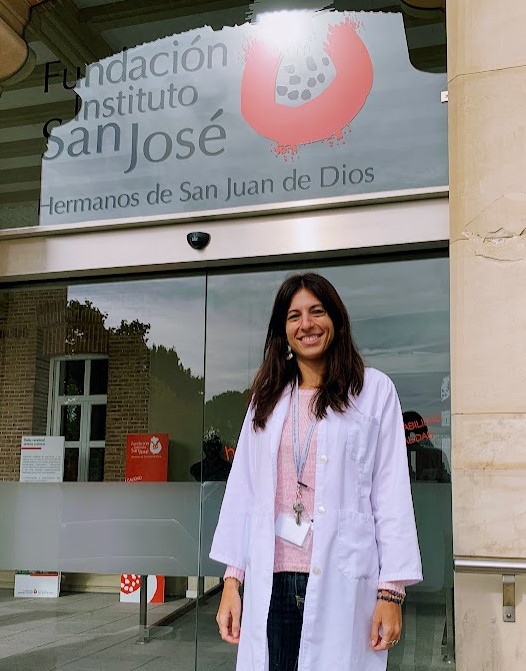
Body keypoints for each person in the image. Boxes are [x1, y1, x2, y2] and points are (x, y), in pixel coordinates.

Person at [210, 273, 422, 671]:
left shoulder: (373, 391)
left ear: (336, 320)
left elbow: (390, 492)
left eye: (317, 312)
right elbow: (244, 492)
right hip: (273, 580)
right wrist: (232, 582)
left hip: (342, 581)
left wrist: (391, 592)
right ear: (283, 331)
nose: (306, 324)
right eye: (294, 316)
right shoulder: (267, 397)